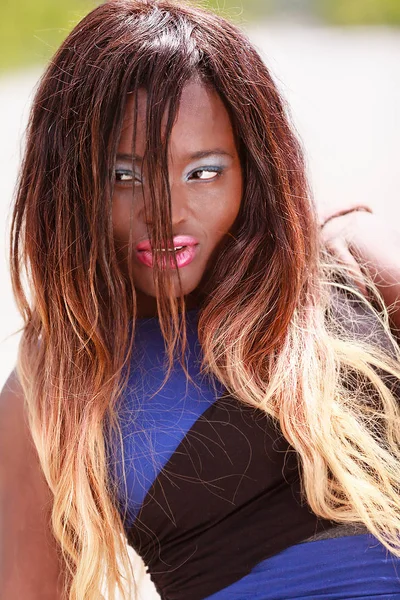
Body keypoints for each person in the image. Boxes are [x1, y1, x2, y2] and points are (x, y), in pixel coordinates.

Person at [1, 1, 400, 599]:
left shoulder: (347, 264)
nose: (167, 216)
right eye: (125, 176)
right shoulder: (53, 379)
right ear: (71, 183)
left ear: (252, 167)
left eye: (204, 171)